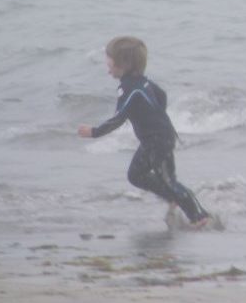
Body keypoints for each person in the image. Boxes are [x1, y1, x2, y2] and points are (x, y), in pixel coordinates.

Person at [78, 36, 212, 228]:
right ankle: (171, 198)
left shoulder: (130, 89)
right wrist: (156, 115)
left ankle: (199, 216)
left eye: (110, 63)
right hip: (155, 139)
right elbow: (162, 95)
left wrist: (94, 132)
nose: (107, 68)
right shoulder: (142, 82)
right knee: (135, 175)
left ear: (124, 64)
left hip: (158, 140)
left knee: (169, 181)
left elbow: (118, 118)